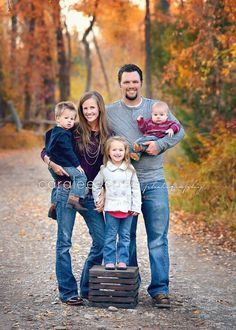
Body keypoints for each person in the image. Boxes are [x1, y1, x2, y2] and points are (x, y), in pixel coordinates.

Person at [106, 64, 185, 308]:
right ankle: (129, 287)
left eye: (135, 82)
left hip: (154, 182)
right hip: (124, 185)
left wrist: (159, 146)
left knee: (157, 239)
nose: (131, 86)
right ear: (120, 84)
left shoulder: (156, 107)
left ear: (141, 83)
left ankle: (160, 290)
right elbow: (100, 141)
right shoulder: (110, 113)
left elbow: (179, 131)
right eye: (126, 82)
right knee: (126, 238)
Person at [41, 91, 110, 305]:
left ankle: (87, 287)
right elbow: (46, 149)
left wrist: (105, 191)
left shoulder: (108, 134)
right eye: (85, 108)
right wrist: (51, 163)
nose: (89, 111)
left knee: (102, 240)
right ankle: (68, 292)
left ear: (99, 108)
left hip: (90, 193)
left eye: (93, 107)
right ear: (81, 110)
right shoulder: (73, 129)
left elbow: (112, 164)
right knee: (64, 243)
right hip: (66, 190)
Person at [92, 136, 141, 270]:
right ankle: (109, 260)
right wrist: (98, 200)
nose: (117, 152)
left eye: (121, 150)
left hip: (127, 209)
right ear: (108, 152)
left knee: (125, 236)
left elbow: (136, 189)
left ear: (125, 152)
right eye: (114, 150)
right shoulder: (105, 169)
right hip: (111, 209)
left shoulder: (130, 169)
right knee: (110, 236)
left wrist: (136, 207)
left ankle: (122, 261)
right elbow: (95, 185)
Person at [45, 101, 87, 212]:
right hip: (63, 164)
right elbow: (68, 151)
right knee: (81, 177)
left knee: (58, 182)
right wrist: (77, 165)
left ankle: (54, 204)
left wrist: (50, 160)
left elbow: (47, 145)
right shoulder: (64, 134)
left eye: (72, 119)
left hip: (53, 163)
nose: (70, 121)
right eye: (66, 118)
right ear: (57, 118)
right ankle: (74, 200)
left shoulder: (53, 132)